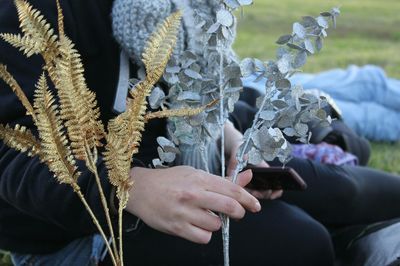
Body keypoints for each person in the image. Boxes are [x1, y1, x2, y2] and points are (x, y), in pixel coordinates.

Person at [0, 1, 335, 266]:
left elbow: (183, 93)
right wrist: (130, 186)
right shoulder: (28, 11)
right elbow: (12, 155)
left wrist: (226, 134)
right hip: (80, 232)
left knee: (348, 193)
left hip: (178, 167)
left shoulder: (170, 8)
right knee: (304, 242)